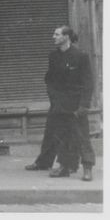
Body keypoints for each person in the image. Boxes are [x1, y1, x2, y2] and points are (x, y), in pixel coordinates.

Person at [40, 26, 95, 181]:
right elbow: (49, 79)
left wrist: (84, 105)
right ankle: (65, 167)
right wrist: (53, 98)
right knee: (63, 136)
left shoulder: (81, 56)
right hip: (60, 104)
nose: (53, 37)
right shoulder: (53, 56)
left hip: (77, 104)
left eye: (57, 34)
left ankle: (87, 168)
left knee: (82, 136)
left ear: (66, 37)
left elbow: (88, 82)